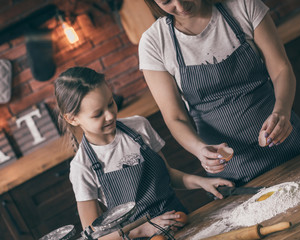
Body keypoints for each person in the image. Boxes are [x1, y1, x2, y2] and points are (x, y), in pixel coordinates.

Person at [139, 0, 300, 186]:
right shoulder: (154, 43)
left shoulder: (243, 5)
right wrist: (200, 150)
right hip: (232, 170)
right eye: (167, 1)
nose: (181, 6)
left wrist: (282, 112)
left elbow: (280, 69)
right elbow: (175, 117)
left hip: (286, 140)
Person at [54, 67, 233, 239]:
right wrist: (142, 230)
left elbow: (168, 175)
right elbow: (94, 236)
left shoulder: (139, 127)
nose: (109, 115)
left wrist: (203, 182)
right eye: (97, 114)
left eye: (110, 103)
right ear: (72, 118)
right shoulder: (82, 166)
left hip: (180, 224)